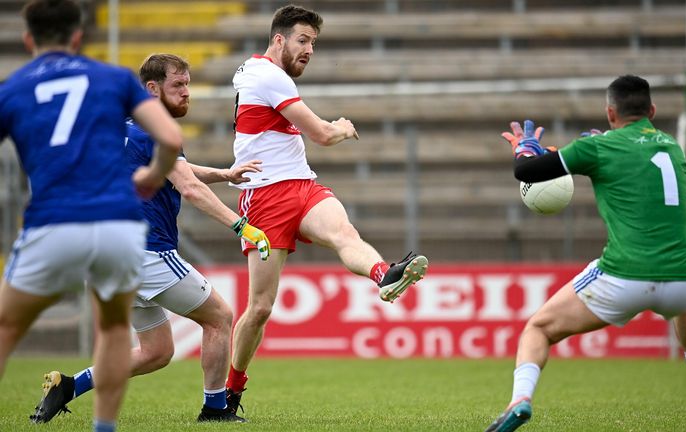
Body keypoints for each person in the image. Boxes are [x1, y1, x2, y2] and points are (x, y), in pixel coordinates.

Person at [27, 53, 271, 424]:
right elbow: (187, 187)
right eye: (178, 85)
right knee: (220, 317)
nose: (187, 93)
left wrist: (224, 174)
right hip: (147, 254)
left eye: (188, 84)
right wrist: (241, 225)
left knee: (157, 351)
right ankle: (215, 409)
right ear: (152, 89)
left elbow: (178, 171)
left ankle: (69, 386)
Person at [485, 75, 686, 432]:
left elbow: (526, 172)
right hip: (685, 276)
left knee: (538, 328)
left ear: (610, 112)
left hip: (624, 275)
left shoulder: (598, 149)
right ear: (652, 111)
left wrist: (525, 148)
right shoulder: (673, 148)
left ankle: (519, 400)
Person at [225, 4, 429, 413]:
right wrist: (342, 126)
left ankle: (383, 274)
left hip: (301, 185)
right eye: (303, 40)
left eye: (314, 44)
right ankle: (229, 393)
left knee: (344, 233)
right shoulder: (266, 74)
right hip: (265, 196)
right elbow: (320, 133)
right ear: (278, 39)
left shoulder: (264, 74)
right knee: (260, 308)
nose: (310, 50)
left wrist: (330, 130)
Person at [0, 1, 182, 431]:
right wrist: (153, 176)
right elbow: (170, 136)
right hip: (119, 226)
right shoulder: (115, 78)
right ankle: (104, 428)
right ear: (78, 37)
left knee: (7, 326)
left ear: (28, 40)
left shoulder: (14, 87)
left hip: (54, 222)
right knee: (116, 330)